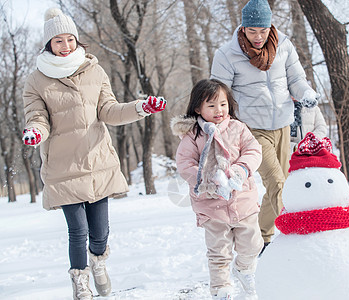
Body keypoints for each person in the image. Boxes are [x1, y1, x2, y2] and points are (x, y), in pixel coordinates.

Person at [22, 8, 166, 300]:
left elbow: (109, 111)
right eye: (58, 41)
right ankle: (80, 282)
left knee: (99, 233)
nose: (65, 46)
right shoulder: (36, 81)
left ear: (77, 41)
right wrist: (35, 132)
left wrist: (141, 107)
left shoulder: (95, 71)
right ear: (48, 44)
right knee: (78, 230)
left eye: (70, 40)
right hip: (63, 167)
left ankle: (98, 263)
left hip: (97, 161)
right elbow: (37, 117)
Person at [210, 0, 321, 252]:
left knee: (284, 181)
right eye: (252, 31)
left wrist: (305, 93)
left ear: (270, 26)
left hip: (282, 124)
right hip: (251, 130)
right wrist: (224, 127)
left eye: (263, 30)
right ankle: (299, 233)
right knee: (277, 182)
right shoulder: (227, 55)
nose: (258, 37)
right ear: (243, 27)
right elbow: (218, 95)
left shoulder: (284, 46)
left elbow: (296, 79)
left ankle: (262, 237)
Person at [172, 79, 263, 300]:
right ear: (198, 108)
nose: (218, 110)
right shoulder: (192, 134)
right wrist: (208, 179)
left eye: (222, 104)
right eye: (211, 105)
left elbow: (253, 150)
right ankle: (221, 288)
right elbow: (185, 163)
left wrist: (241, 170)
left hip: (243, 200)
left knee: (252, 244)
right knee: (219, 251)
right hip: (211, 205)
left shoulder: (238, 128)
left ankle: (244, 269)